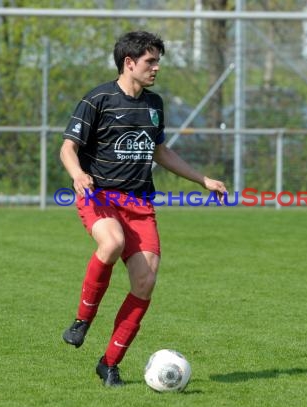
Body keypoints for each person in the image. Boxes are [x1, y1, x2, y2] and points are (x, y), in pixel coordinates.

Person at [60, 31, 227, 387]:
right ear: (129, 63)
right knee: (111, 243)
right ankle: (82, 320)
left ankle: (109, 364)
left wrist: (202, 179)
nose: (156, 68)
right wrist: (77, 175)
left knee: (145, 281)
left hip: (139, 203)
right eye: (151, 61)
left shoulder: (154, 104)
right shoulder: (98, 99)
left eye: (157, 61)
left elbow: (159, 152)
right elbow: (68, 148)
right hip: (100, 196)